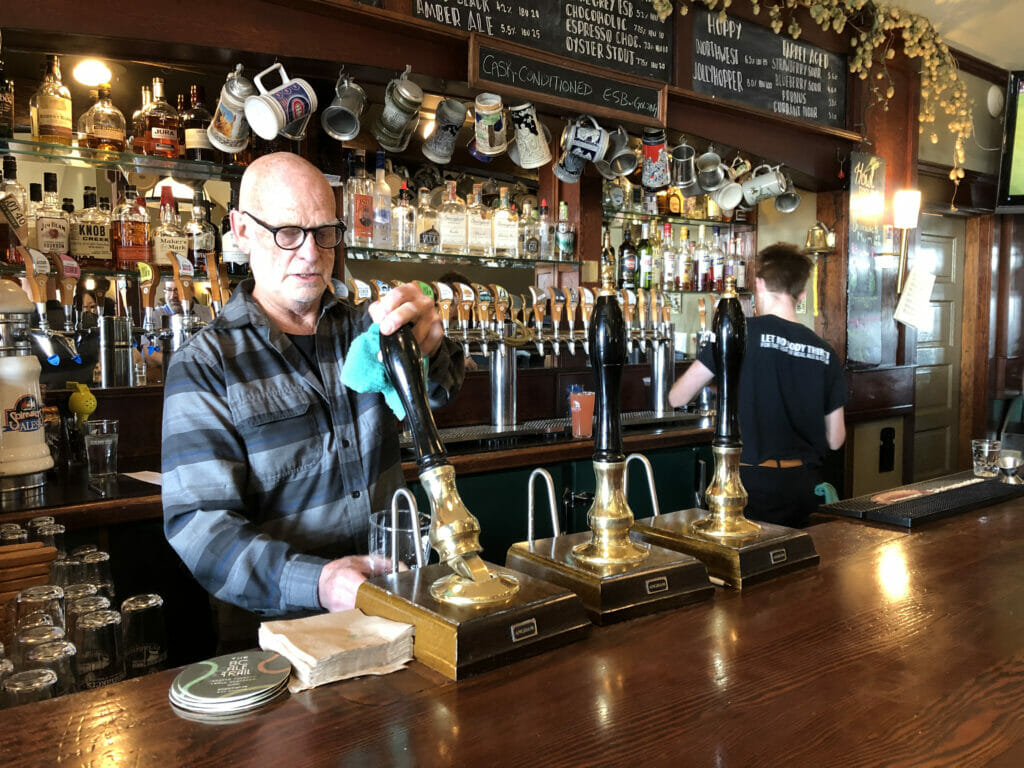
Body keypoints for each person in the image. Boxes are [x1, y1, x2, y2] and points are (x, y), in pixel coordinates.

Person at [162, 153, 464, 644]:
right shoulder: (206, 363)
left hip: (397, 611)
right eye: (287, 232)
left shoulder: (368, 333)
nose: (309, 254)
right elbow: (201, 528)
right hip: (283, 641)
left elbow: (441, 393)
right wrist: (320, 582)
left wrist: (428, 340)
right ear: (240, 230)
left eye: (325, 233)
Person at [668, 243, 847, 528]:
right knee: (801, 570)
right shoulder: (825, 352)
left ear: (759, 284)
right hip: (805, 488)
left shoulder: (738, 333)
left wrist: (726, 387)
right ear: (801, 293)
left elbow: (678, 397)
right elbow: (836, 438)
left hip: (749, 488)